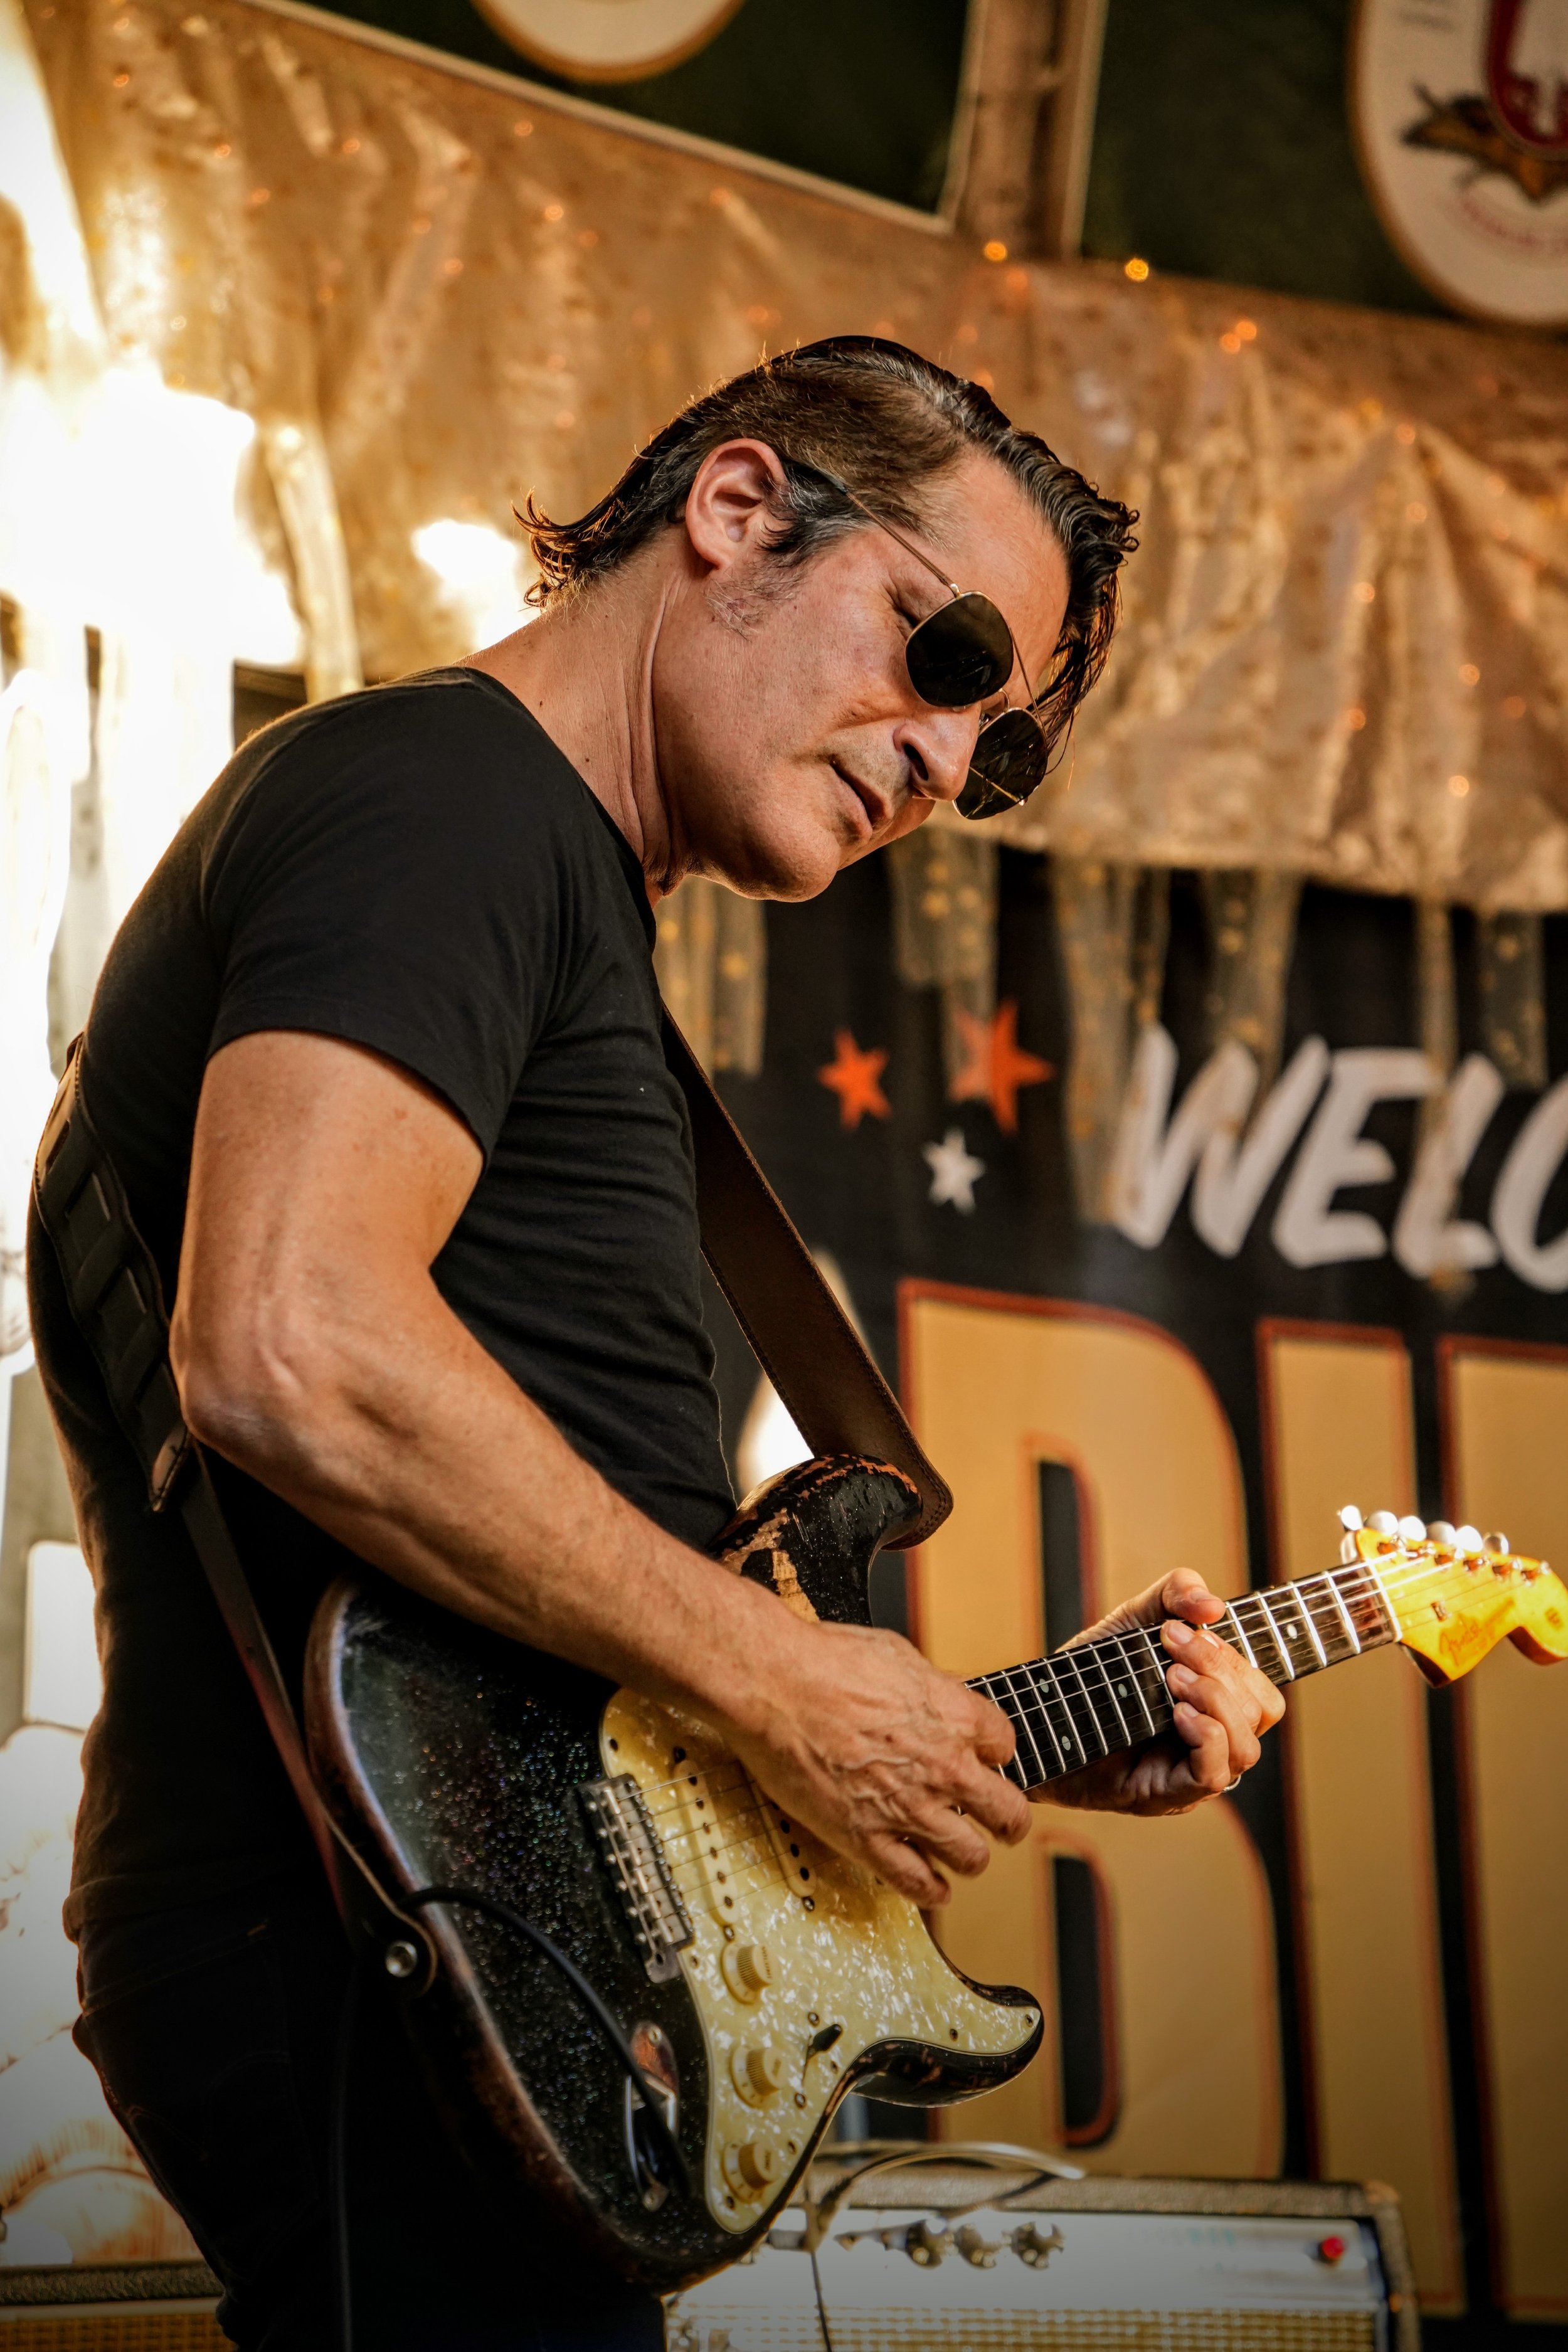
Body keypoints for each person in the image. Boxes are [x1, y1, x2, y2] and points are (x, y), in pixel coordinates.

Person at [29, 339, 1285, 2351]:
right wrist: (787, 1684)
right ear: (733, 511)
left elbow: (555, 1653)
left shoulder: (534, 877)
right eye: (945, 651)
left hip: (486, 1954)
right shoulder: (445, 799)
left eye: (1006, 744)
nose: (953, 762)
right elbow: (289, 1339)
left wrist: (995, 1729)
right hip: (377, 1958)